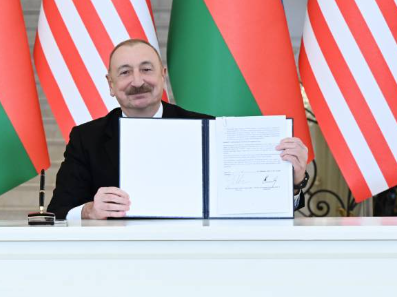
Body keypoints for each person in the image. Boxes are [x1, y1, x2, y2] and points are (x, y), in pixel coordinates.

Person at [47, 39, 309, 220]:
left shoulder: (208, 128)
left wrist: (294, 182)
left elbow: (254, 205)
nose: (137, 81)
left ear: (162, 74)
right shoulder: (86, 139)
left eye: (146, 69)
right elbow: (58, 211)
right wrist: (89, 211)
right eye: (125, 73)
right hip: (119, 264)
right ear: (111, 84)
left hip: (196, 260)